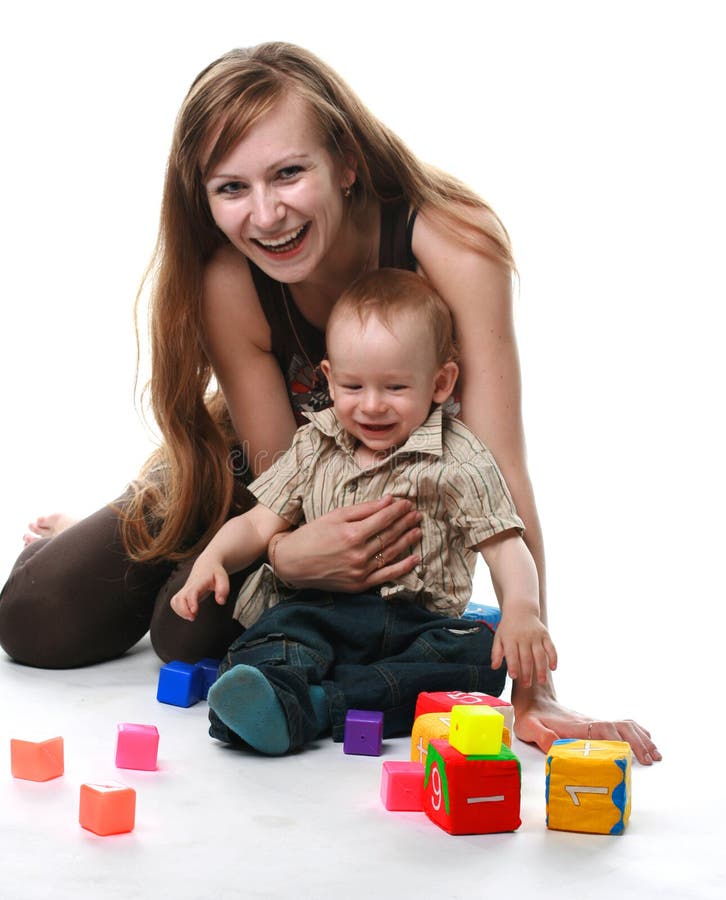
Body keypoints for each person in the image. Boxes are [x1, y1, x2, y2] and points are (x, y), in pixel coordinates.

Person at [0, 41, 659, 765]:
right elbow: (283, 474)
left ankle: (174, 545)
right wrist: (284, 551)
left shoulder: (454, 243)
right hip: (259, 471)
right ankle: (150, 507)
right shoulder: (232, 280)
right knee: (34, 623)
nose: (266, 214)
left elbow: (502, 472)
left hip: (367, 486)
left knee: (180, 633)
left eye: (288, 173)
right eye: (231, 188)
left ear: (344, 163)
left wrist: (536, 694)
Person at [170, 269, 557, 754]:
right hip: (321, 610)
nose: (371, 406)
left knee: (481, 658)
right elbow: (257, 522)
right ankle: (274, 693)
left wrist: (522, 610)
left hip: (415, 626)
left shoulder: (459, 459)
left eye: (395, 387)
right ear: (328, 379)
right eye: (353, 387)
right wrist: (215, 559)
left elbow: (505, 546)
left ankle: (303, 706)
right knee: (273, 635)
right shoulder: (316, 443)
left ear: (440, 382)